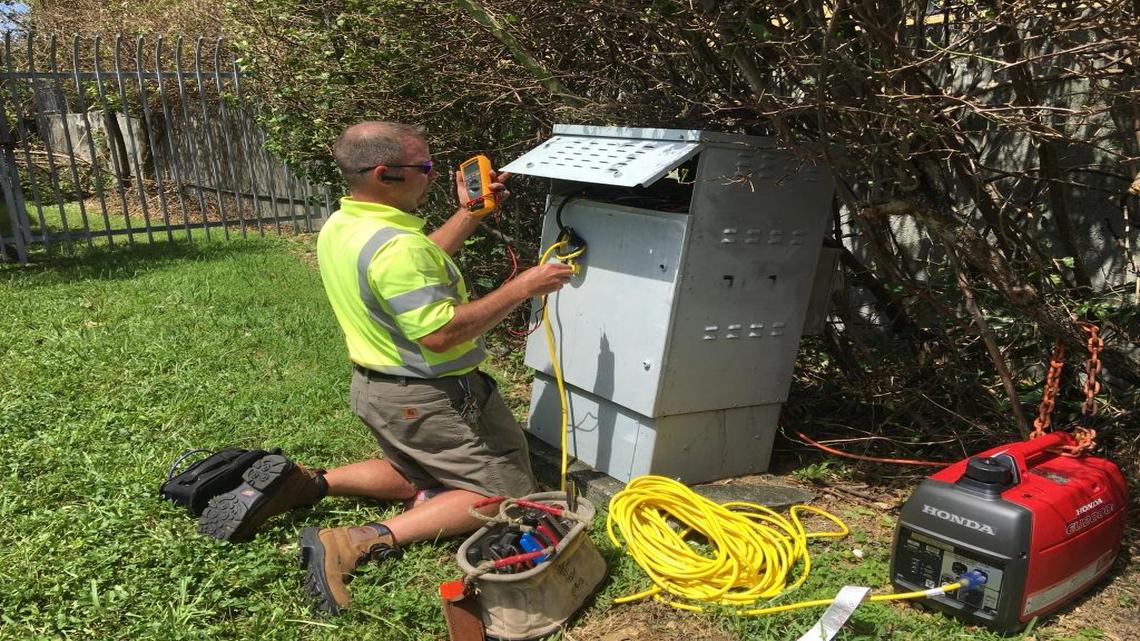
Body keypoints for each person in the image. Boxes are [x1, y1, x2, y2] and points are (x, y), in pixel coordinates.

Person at [197, 121, 574, 614]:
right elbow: (439, 332)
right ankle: (357, 541)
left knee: (415, 469)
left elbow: (417, 268)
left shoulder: (347, 223)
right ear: (384, 174)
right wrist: (522, 288)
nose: (434, 176)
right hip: (433, 399)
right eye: (425, 167)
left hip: (380, 393)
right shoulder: (399, 247)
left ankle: (308, 483)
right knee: (507, 493)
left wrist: (469, 213)